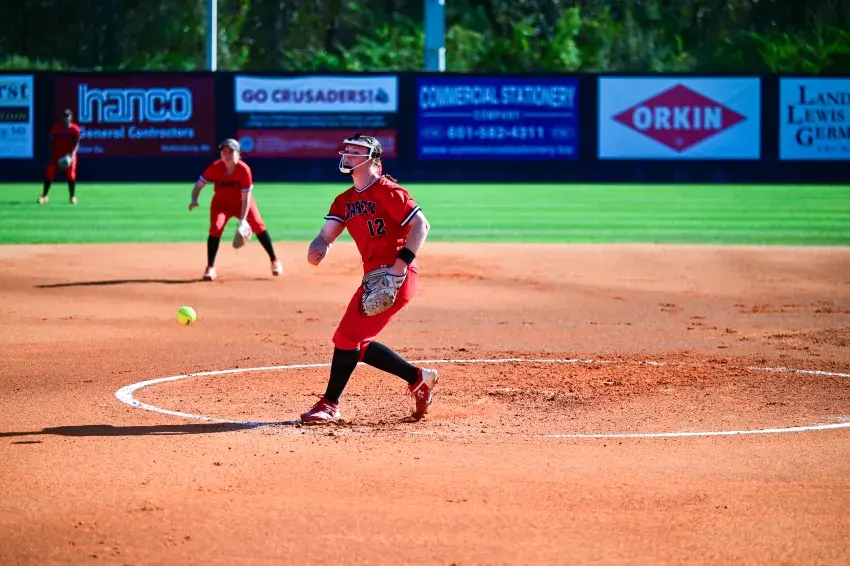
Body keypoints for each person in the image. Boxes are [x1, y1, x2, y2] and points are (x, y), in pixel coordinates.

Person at [301, 133, 437, 423]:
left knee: (346, 338)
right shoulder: (344, 201)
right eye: (347, 150)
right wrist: (318, 247)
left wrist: (398, 269)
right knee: (357, 343)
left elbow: (421, 226)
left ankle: (329, 404)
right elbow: (326, 236)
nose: (348, 154)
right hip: (373, 278)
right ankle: (417, 378)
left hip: (397, 275)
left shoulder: (389, 191)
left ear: (373, 159)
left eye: (356, 150)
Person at [189, 138, 283, 281]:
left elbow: (246, 197)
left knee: (258, 225)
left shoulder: (244, 170)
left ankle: (274, 261)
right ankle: (210, 268)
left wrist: (243, 220)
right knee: (215, 228)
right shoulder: (216, 167)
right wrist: (194, 199)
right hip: (221, 205)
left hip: (242, 203)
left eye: (230, 152)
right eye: (223, 152)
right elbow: (199, 184)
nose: (226, 155)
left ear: (238, 154)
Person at [39, 109, 81, 205]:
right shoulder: (56, 128)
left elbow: (77, 143)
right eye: (65, 116)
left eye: (68, 116)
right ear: (62, 118)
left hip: (69, 155)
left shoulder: (74, 129)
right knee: (49, 173)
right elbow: (51, 141)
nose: (66, 118)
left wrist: (72, 154)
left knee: (71, 175)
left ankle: (72, 197)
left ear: (71, 117)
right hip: (56, 154)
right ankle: (44, 196)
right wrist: (51, 155)